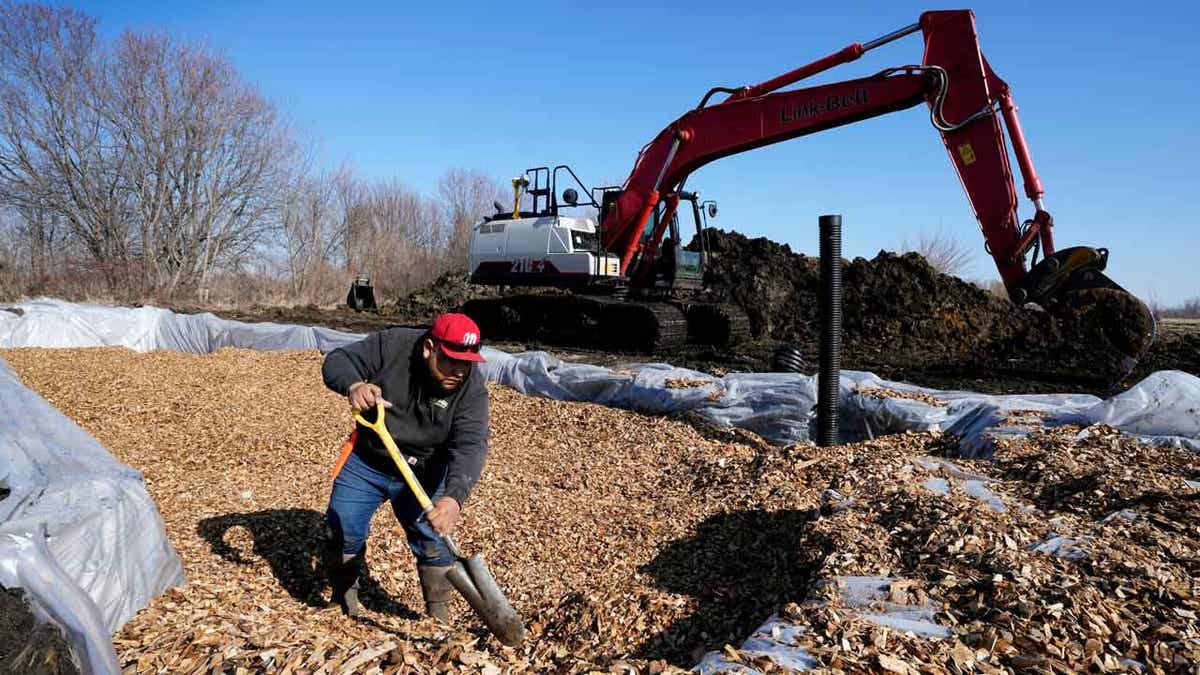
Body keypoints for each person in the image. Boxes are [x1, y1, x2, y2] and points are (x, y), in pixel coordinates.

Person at [320, 312, 489, 621]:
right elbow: (337, 360)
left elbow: (471, 444)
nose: (460, 370)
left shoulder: (471, 388)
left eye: (467, 362)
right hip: (369, 460)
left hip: (426, 470)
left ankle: (438, 618)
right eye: (451, 359)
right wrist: (354, 384)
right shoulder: (393, 345)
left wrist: (453, 498)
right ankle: (345, 601)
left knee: (433, 542)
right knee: (342, 528)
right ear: (429, 348)